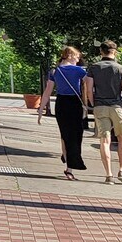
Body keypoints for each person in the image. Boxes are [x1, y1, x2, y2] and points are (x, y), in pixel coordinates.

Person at [86, 40, 122, 184]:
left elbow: (89, 89)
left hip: (100, 106)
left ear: (101, 52)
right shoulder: (121, 69)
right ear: (115, 52)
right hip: (117, 107)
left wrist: (93, 103)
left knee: (104, 140)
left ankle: (108, 175)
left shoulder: (93, 68)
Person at [41, 45, 88, 179]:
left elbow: (48, 91)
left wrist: (41, 109)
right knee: (75, 135)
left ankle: (67, 160)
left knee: (65, 134)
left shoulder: (55, 71)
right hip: (75, 103)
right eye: (77, 57)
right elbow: (90, 85)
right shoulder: (79, 71)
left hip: (61, 103)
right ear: (69, 56)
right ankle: (69, 167)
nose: (78, 60)